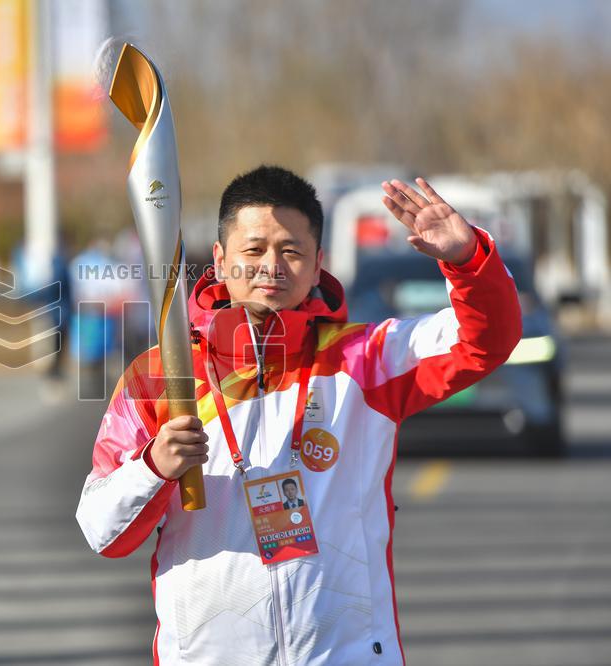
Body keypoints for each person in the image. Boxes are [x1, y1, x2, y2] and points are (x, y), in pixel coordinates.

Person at [75, 166, 522, 665]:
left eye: (291, 250)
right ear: (220, 261)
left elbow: (485, 340)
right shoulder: (161, 374)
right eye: (253, 249)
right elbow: (101, 530)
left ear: (317, 264)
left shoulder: (366, 358)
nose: (272, 265)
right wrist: (153, 467)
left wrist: (468, 261)